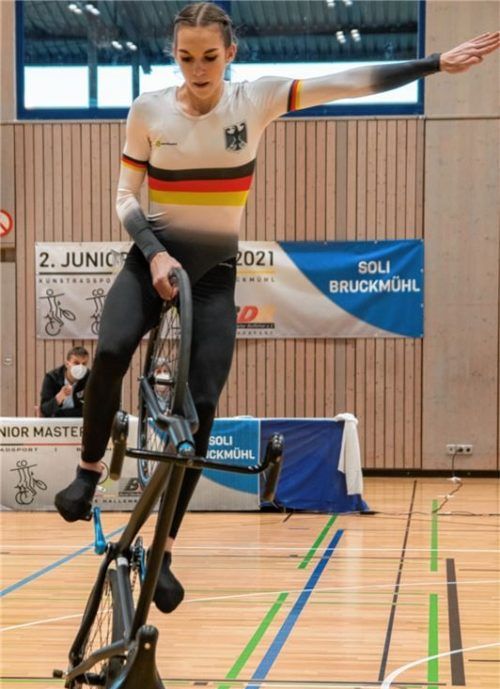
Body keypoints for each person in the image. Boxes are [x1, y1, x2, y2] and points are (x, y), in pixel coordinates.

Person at [55, 2, 499, 612]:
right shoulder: (149, 110)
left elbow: (345, 82)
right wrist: (155, 255)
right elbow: (126, 196)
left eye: (210, 56)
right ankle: (87, 467)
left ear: (230, 53)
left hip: (213, 277)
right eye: (186, 57)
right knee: (107, 351)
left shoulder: (254, 101)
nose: (198, 68)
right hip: (150, 258)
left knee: (203, 408)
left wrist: (435, 65)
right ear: (173, 54)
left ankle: (164, 550)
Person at [40, 345, 90, 418]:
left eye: (84, 364)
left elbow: (92, 409)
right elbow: (44, 410)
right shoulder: (51, 378)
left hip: (79, 423)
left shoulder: (89, 378)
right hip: (55, 424)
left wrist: (60, 414)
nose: (80, 367)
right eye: (76, 363)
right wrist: (59, 398)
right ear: (67, 364)